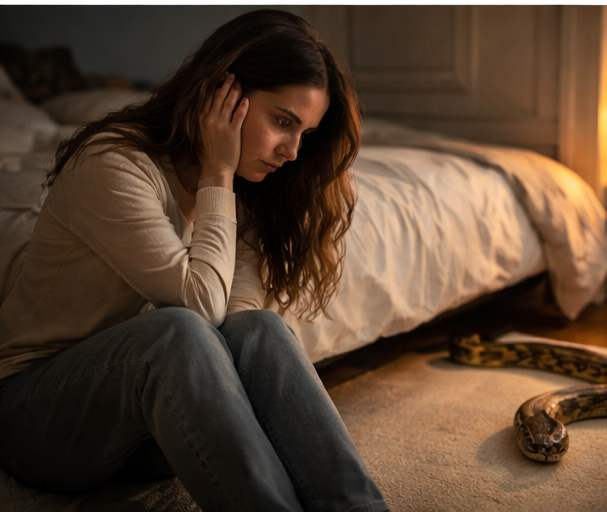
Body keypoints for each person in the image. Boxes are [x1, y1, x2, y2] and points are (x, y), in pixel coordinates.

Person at [0, 9, 388, 512]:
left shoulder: (245, 197)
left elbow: (236, 323)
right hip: (36, 418)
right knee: (177, 331)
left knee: (262, 329)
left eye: (305, 134)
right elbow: (201, 310)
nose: (292, 151)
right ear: (221, 97)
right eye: (283, 121)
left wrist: (224, 182)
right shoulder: (113, 164)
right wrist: (218, 172)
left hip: (144, 426)